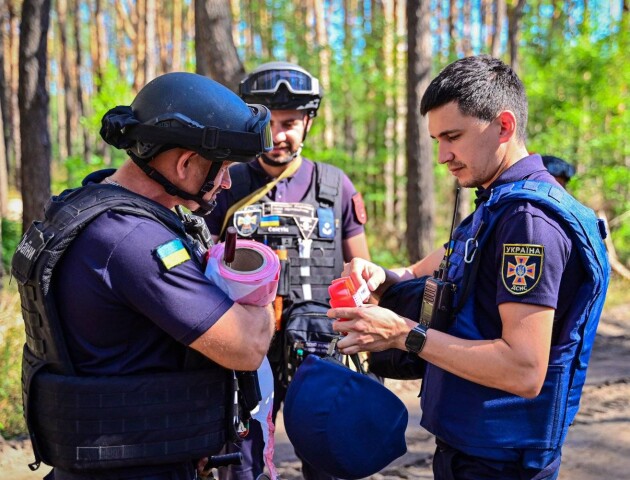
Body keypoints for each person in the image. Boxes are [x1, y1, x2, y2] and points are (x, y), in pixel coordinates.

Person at [329, 55, 610, 480]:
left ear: (504, 125)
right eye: (436, 139)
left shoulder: (529, 223)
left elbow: (524, 368)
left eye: (453, 137)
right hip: (471, 449)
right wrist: (384, 278)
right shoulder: (496, 203)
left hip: (499, 460)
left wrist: (404, 335)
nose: (443, 155)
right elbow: (433, 272)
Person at [10, 72, 276, 480]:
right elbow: (246, 347)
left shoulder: (98, 204)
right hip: (130, 468)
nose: (226, 182)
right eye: (223, 169)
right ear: (185, 163)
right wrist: (261, 302)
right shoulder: (133, 238)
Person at [204, 61, 371, 480]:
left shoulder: (335, 186)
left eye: (290, 123)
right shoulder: (224, 183)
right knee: (245, 459)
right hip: (243, 350)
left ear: (308, 122)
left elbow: (361, 272)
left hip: (317, 347)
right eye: (268, 123)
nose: (278, 135)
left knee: (327, 451)